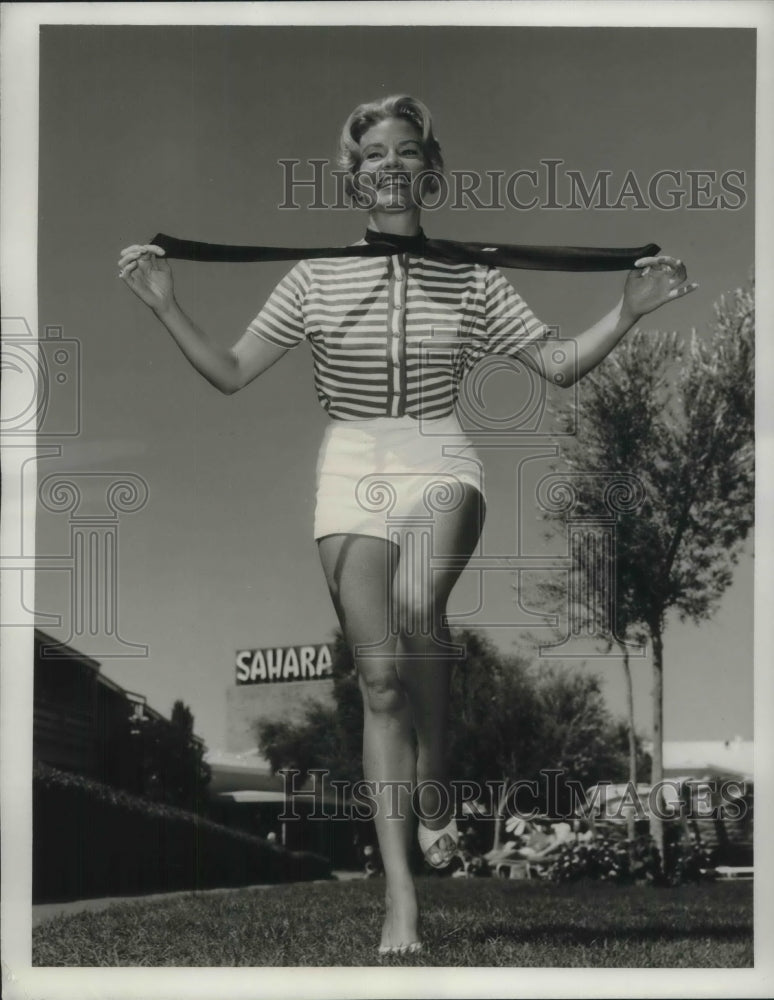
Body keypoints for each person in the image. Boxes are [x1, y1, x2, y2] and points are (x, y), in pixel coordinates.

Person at [117, 94, 696, 956]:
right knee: (381, 682)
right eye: (373, 153)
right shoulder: (313, 276)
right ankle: (400, 899)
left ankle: (437, 775)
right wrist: (165, 304)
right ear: (353, 179)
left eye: (407, 149)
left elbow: (559, 364)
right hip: (349, 468)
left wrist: (629, 309)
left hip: (440, 457)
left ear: (432, 166)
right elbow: (234, 372)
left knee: (423, 602)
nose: (391, 163)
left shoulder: (471, 275)